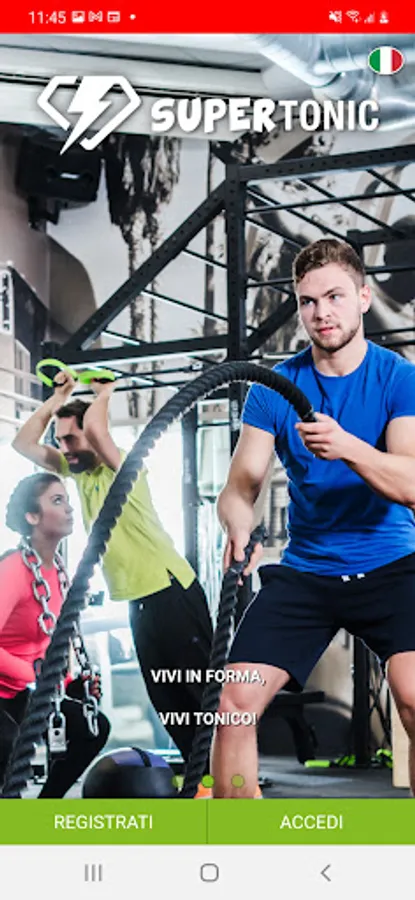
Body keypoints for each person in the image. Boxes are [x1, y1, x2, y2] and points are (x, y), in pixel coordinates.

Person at [214, 237, 415, 798]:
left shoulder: (399, 378)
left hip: (393, 565)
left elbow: (411, 484)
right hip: (307, 570)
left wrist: (349, 447)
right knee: (233, 702)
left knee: (414, 694)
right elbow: (240, 486)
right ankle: (231, 845)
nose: (322, 312)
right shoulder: (275, 388)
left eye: (334, 296)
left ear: (363, 298)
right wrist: (237, 522)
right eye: (308, 301)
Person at [12, 378, 213, 779]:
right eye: (60, 440)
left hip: (171, 590)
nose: (65, 447)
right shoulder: (80, 476)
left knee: (200, 696)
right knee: (167, 700)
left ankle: (231, 781)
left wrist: (104, 392)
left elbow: (97, 429)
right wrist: (59, 398)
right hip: (139, 601)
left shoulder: (123, 466)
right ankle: (200, 781)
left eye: (71, 439)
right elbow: (23, 443)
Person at [0, 473, 110, 797]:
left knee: (92, 728)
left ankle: (47, 808)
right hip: (9, 691)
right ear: (32, 517)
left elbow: (45, 640)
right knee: (8, 745)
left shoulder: (58, 570)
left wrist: (71, 683)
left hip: (22, 692)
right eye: (57, 501)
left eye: (67, 500)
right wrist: (34, 676)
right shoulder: (13, 570)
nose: (69, 509)